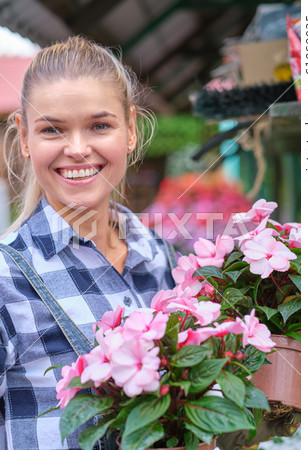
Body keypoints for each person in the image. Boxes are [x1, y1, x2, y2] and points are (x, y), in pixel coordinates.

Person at [0, 36, 175, 450]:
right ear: (25, 139)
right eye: (52, 129)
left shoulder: (158, 254)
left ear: (130, 130)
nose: (78, 149)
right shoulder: (7, 276)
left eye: (99, 125)